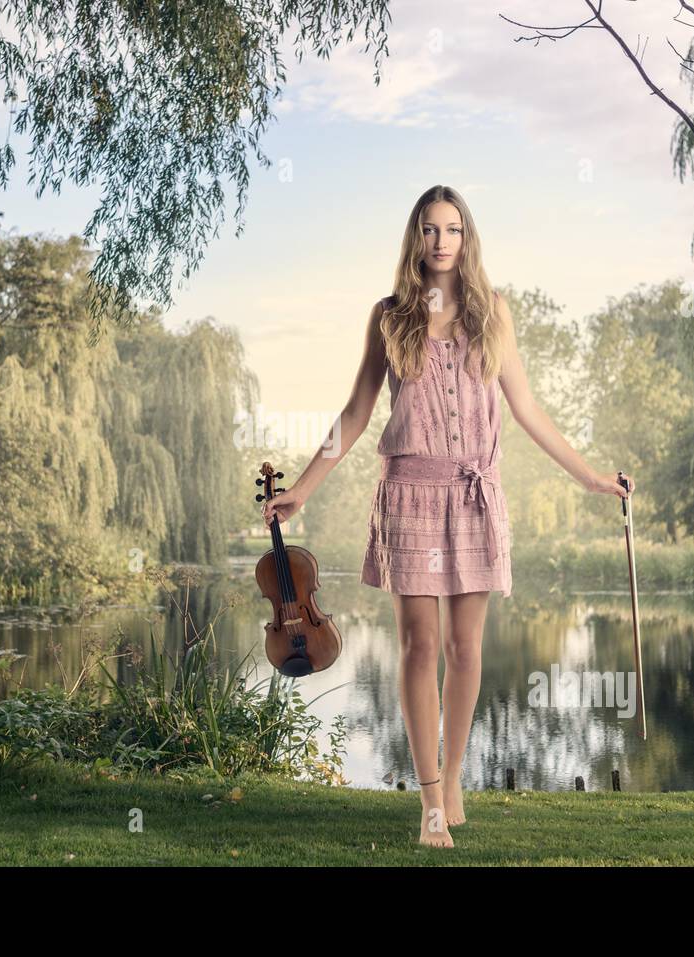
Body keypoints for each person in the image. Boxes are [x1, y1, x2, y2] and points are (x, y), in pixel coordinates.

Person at [261, 184, 634, 848]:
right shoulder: (390, 316)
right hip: (408, 494)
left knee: (465, 649)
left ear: (467, 238)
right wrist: (306, 488)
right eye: (429, 230)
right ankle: (429, 799)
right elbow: (354, 414)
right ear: (416, 238)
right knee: (419, 646)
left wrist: (593, 477)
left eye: (452, 229)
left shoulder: (493, 312)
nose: (440, 242)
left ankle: (454, 773)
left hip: (472, 497)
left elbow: (528, 409)